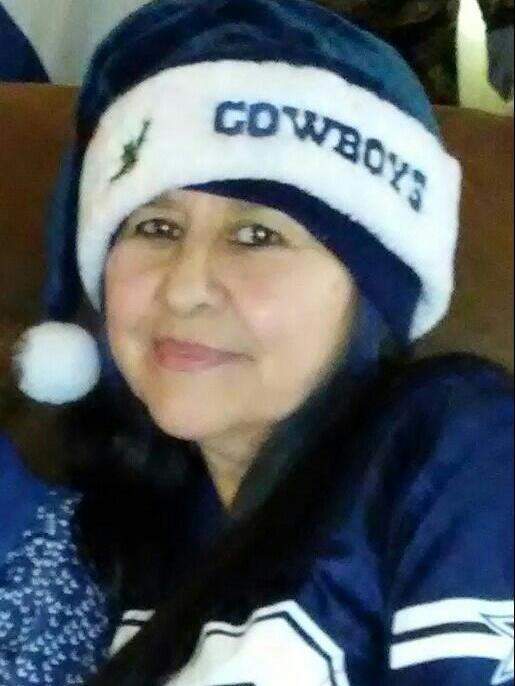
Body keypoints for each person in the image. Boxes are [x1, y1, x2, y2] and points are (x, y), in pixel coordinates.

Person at [2, 0, 513, 684]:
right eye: (155, 228)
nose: (185, 289)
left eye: (256, 236)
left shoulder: (454, 445)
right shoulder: (104, 550)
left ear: (373, 287)